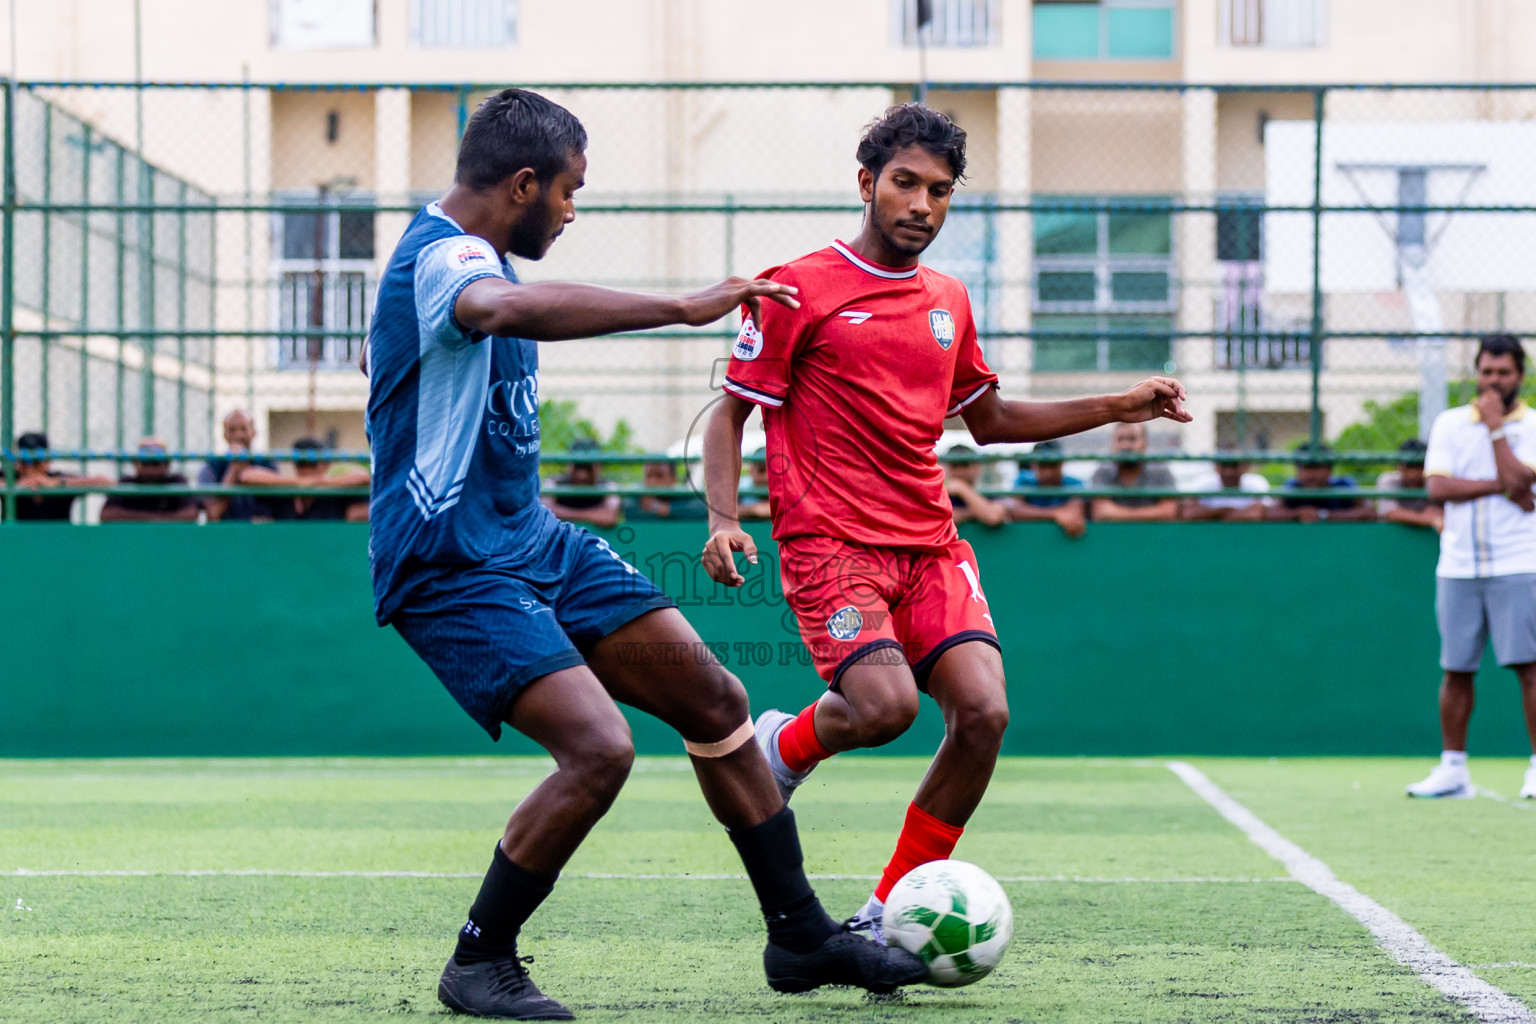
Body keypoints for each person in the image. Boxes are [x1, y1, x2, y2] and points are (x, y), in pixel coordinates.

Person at [363, 89, 925, 1019]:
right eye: (572, 193)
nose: (574, 213)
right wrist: (680, 304)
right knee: (597, 749)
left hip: (531, 538)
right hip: (448, 563)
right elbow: (498, 307)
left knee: (713, 697)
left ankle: (799, 936)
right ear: (525, 183)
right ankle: (479, 960)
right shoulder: (447, 260)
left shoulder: (465, 262)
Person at [701, 103, 1192, 945]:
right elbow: (730, 413)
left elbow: (990, 420)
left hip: (930, 545)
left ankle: (889, 910)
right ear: (866, 184)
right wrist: (722, 516)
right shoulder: (796, 287)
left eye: (940, 190)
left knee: (985, 715)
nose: (922, 204)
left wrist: (1119, 401)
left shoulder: (949, 300)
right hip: (832, 546)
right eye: (905, 183)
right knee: (886, 707)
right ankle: (787, 748)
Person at [1406, 334, 1536, 800]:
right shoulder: (1450, 423)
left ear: (1520, 375)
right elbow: (1437, 488)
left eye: (1504, 373)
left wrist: (1497, 428)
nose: (1494, 381)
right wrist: (1502, 485)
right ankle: (1453, 769)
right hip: (1458, 565)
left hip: (1520, 561)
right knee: (1456, 668)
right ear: (1476, 373)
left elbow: (1524, 477)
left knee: (1530, 668)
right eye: (1487, 372)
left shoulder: (1533, 425)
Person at [5, 431, 112, 522]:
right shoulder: (10, 477)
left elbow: (106, 482)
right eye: (24, 462)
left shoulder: (58, 477)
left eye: (37, 461)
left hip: (58, 542)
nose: (30, 467)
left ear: (48, 461)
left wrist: (56, 483)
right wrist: (14, 486)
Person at [1088, 422, 1180, 522]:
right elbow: (1101, 512)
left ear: (1145, 443)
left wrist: (1117, 514)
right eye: (1120, 439)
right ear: (1112, 443)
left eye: (1132, 439)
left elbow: (1168, 512)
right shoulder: (1102, 472)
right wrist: (1151, 513)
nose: (1125, 445)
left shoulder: (1161, 471)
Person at [199, 410, 280, 523]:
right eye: (232, 430)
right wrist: (233, 469)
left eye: (243, 429)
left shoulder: (267, 463)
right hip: (226, 532)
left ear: (253, 432)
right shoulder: (212, 466)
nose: (238, 435)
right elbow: (213, 514)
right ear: (225, 435)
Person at [264, 437, 371, 522]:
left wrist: (320, 481)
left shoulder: (333, 495)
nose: (306, 470)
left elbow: (363, 477)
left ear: (326, 465)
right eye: (301, 464)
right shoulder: (285, 495)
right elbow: (249, 475)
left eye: (312, 464)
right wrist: (297, 482)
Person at [99, 438, 199, 523]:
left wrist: (145, 518)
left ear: (167, 465)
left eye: (155, 463)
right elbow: (107, 514)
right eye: (145, 462)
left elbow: (191, 513)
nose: (150, 468)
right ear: (136, 464)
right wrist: (155, 518)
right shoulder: (127, 482)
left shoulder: (176, 481)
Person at [1273, 442, 1374, 522]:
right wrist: (1298, 514)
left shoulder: (1344, 485)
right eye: (1306, 468)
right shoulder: (1292, 487)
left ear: (1330, 470)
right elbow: (1271, 512)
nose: (1311, 474)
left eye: (1317, 468)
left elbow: (1369, 512)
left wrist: (1325, 515)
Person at [1006, 439, 1086, 538]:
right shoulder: (1023, 480)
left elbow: (1074, 513)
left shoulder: (1075, 483)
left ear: (1061, 463)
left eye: (1052, 465)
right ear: (1033, 465)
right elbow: (1015, 510)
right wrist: (1054, 514)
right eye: (1043, 466)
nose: (1048, 473)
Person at [544, 438, 621, 528]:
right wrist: (592, 516)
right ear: (569, 465)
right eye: (578, 466)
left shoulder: (608, 486)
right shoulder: (555, 483)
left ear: (599, 466)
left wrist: (566, 515)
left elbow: (609, 516)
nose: (582, 475)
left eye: (588, 467)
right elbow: (546, 511)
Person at [1377, 438, 1443, 532]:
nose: (1414, 473)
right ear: (1399, 466)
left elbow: (1441, 511)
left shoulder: (1432, 481)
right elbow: (1389, 512)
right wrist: (1428, 519)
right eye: (1409, 466)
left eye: (1419, 466)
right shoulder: (1389, 480)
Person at [1180, 455, 1270, 522]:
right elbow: (1188, 513)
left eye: (1234, 466)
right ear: (1217, 467)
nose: (1229, 472)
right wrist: (1227, 511)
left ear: (1245, 466)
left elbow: (1259, 512)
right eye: (1224, 466)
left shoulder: (1257, 483)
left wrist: (1214, 515)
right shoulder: (1203, 483)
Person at [944, 445, 1006, 527]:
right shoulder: (940, 495)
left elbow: (993, 517)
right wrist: (974, 513)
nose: (960, 471)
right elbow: (938, 519)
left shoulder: (989, 493)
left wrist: (962, 488)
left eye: (965, 464)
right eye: (954, 465)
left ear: (977, 467)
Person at [626, 460, 708, 520]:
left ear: (673, 479)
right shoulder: (637, 495)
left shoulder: (681, 495)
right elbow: (627, 507)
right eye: (649, 476)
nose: (653, 481)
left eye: (659, 476)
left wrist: (668, 509)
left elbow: (702, 508)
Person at [738, 448, 773, 520]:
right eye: (762, 470)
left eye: (773, 470)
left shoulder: (788, 493)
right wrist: (753, 509)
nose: (767, 476)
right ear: (751, 471)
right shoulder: (741, 492)